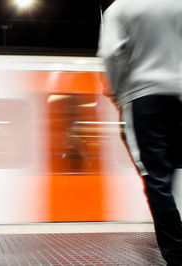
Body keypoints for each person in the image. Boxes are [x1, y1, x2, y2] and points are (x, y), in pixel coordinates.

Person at [98, 0, 182, 264]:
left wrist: (118, 92)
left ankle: (177, 257)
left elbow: (111, 54)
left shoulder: (121, 8)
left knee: (157, 180)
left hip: (144, 96)